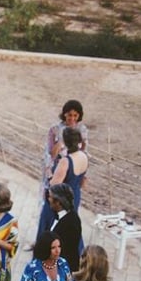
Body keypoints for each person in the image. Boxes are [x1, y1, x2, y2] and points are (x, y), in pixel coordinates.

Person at [38, 99, 88, 239]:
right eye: (69, 115)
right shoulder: (55, 129)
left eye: (75, 115)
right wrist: (61, 141)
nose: (72, 118)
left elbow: (84, 151)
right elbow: (51, 154)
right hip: (56, 170)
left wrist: (83, 176)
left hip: (74, 171)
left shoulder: (82, 130)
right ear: (64, 114)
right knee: (49, 209)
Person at [49, 126, 88, 220]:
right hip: (76, 195)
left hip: (64, 201)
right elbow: (83, 181)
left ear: (65, 142)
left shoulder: (65, 161)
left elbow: (54, 186)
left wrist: (50, 174)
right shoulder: (84, 156)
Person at [47, 184, 82, 273]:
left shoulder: (71, 223)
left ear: (58, 202)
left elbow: (66, 251)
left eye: (50, 197)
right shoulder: (58, 214)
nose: (48, 199)